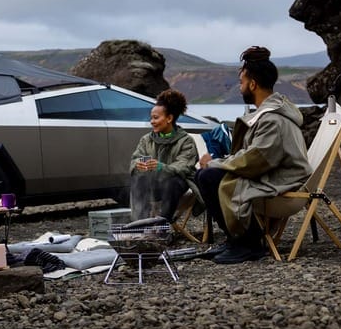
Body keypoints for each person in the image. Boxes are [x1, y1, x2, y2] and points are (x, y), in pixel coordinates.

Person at [196, 46, 312, 264]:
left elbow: (256, 159)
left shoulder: (272, 119)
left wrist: (214, 163)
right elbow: (254, 156)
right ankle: (235, 240)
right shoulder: (270, 113)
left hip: (282, 183)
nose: (240, 89)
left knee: (208, 176)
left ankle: (248, 244)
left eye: (241, 83)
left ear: (252, 84)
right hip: (271, 174)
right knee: (206, 175)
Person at [129, 88, 201, 222]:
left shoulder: (186, 141)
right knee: (138, 178)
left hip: (177, 187)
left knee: (172, 181)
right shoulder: (147, 140)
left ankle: (162, 224)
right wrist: (137, 164)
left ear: (169, 118)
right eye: (151, 118)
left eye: (156, 118)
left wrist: (161, 167)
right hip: (154, 185)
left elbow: (183, 167)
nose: (152, 121)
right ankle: (140, 223)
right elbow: (134, 159)